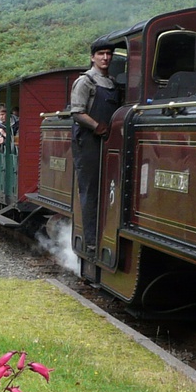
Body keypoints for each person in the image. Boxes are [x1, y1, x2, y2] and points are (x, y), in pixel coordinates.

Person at [70, 39, 121, 254]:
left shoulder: (112, 82)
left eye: (109, 53)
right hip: (89, 141)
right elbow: (77, 112)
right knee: (90, 190)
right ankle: (90, 240)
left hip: (108, 140)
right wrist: (97, 127)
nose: (105, 57)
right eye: (101, 53)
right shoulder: (85, 82)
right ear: (93, 57)